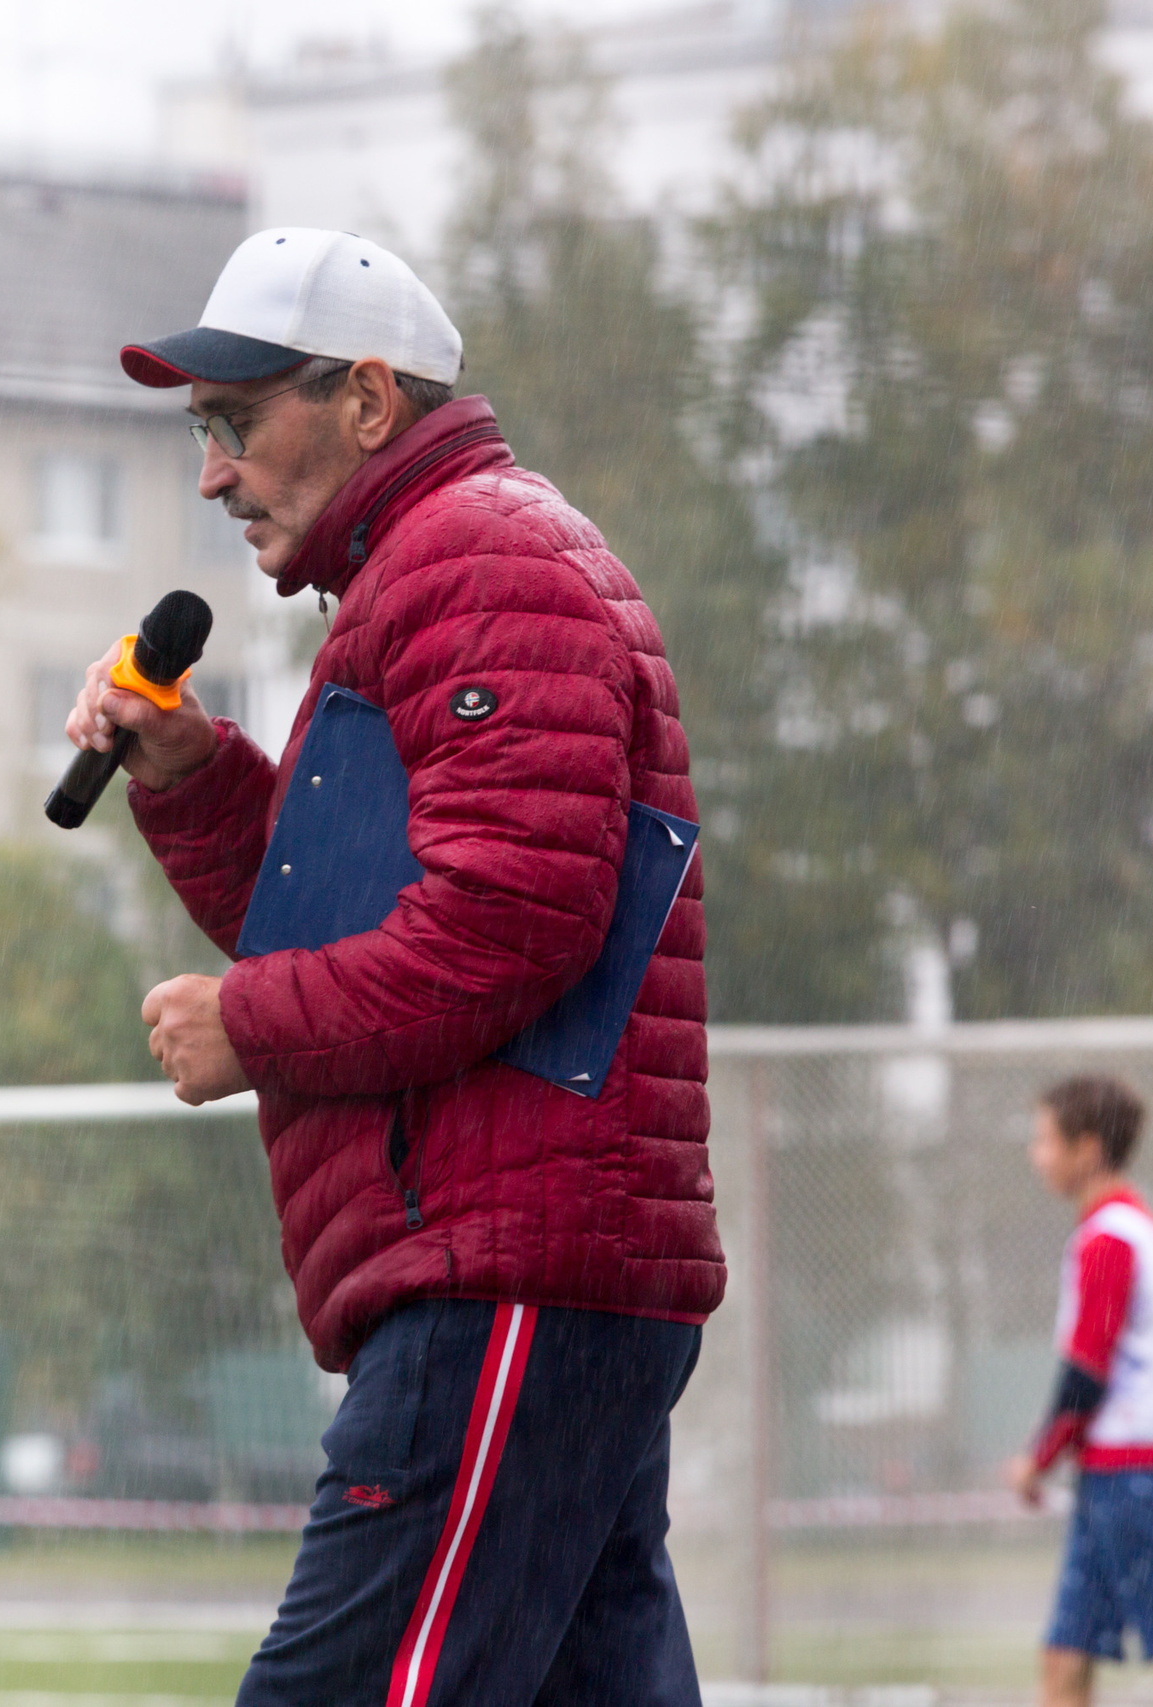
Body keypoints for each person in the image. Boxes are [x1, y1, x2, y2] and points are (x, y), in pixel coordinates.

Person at [67, 227, 721, 1705]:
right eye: (201, 432)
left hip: (500, 1272)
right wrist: (188, 770)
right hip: (532, 1271)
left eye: (237, 424)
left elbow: (509, 921)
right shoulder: (437, 571)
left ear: (367, 400)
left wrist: (252, 1023)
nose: (213, 472)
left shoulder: (481, 560)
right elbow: (363, 916)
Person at [1004, 1075, 1153, 1707]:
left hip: (1127, 1476)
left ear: (1087, 1150)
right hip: (1139, 1472)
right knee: (1067, 1657)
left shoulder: (1108, 1241)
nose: (1037, 1154)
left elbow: (1088, 1368)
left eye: (1045, 1139)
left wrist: (1037, 1459)